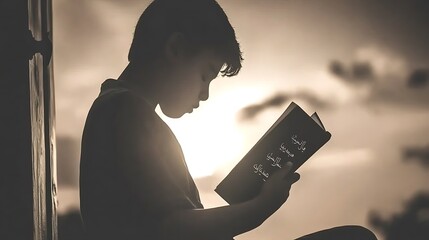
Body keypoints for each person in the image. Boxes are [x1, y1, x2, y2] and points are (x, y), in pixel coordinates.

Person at [79, 0, 378, 239]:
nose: (206, 94)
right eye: (205, 75)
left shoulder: (121, 109)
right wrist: (261, 207)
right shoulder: (125, 110)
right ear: (176, 50)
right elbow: (171, 230)